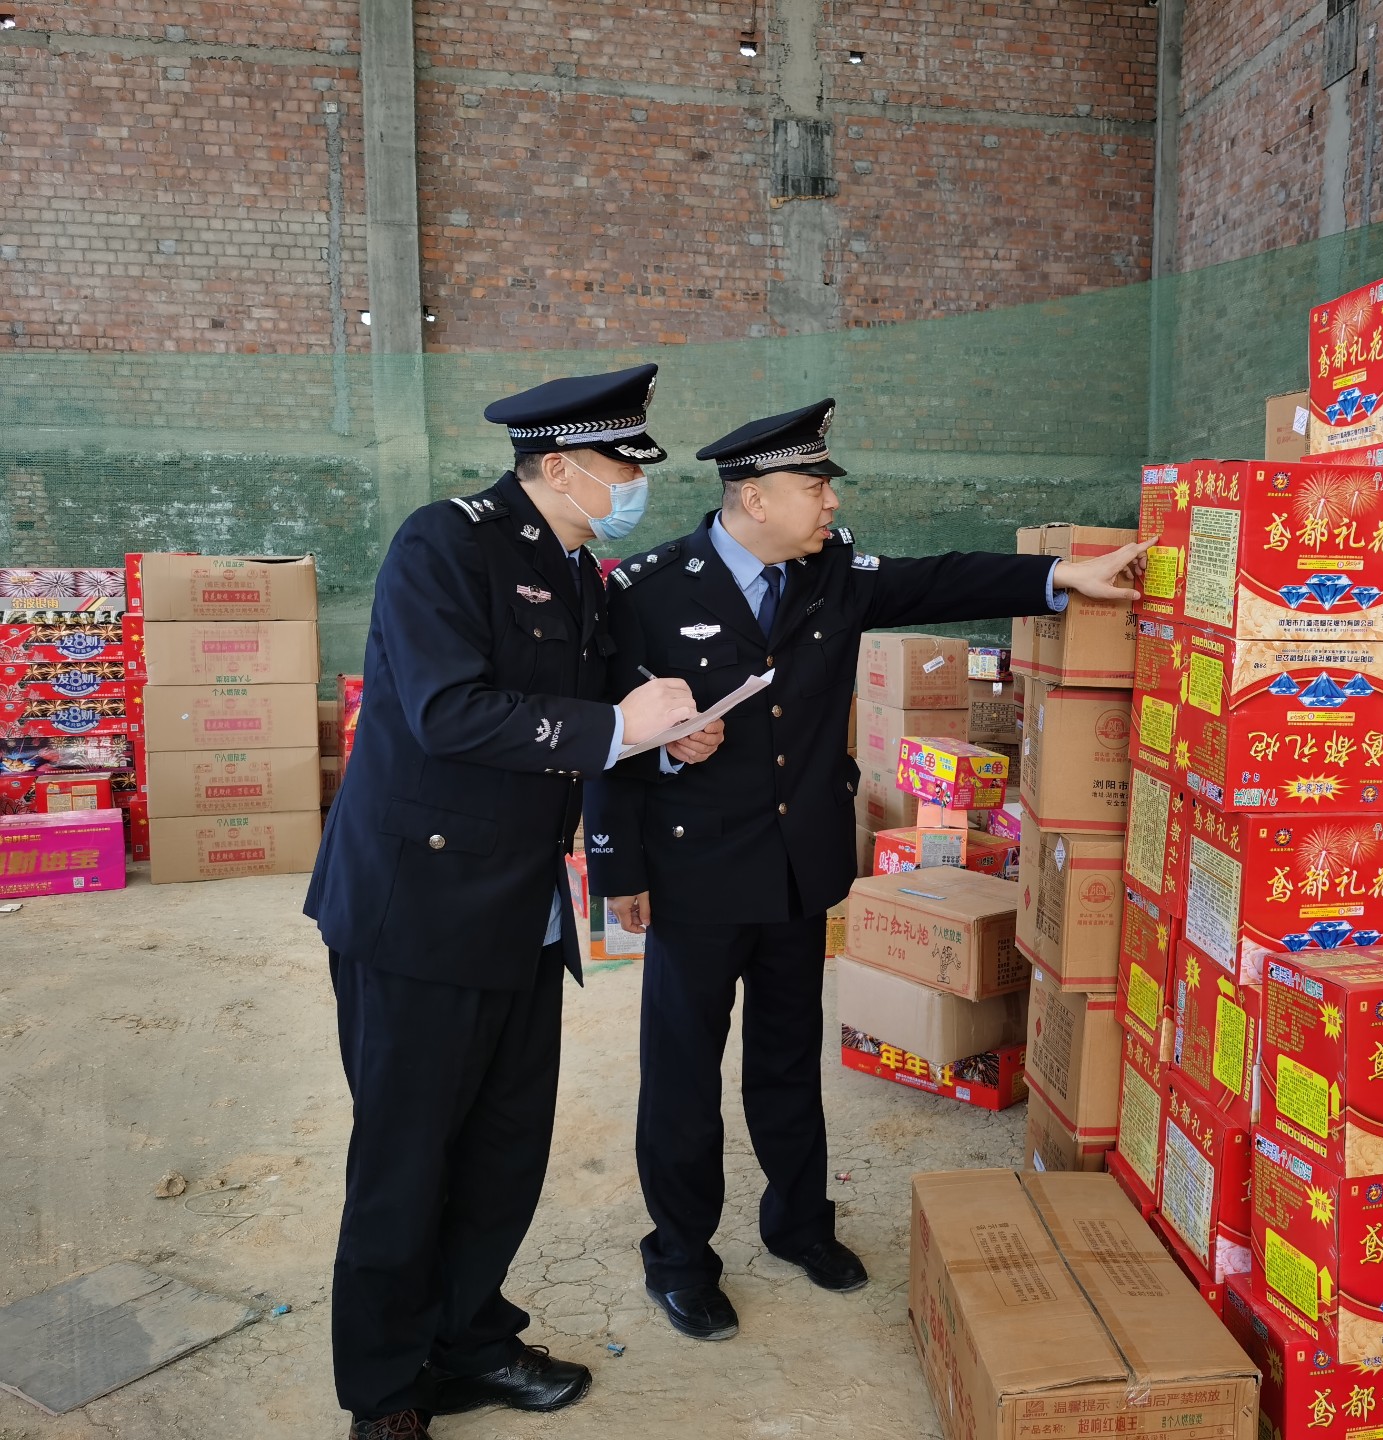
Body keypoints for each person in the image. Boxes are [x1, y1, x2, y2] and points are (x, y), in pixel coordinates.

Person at [583, 398, 1148, 1342]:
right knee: (680, 1077)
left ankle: (800, 1225)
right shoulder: (647, 590)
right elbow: (609, 732)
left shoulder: (832, 575)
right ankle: (680, 1257)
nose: (831, 501)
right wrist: (618, 866)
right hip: (694, 876)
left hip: (796, 873)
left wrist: (1061, 576)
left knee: (786, 1060)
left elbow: (941, 580)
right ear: (754, 498)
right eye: (815, 486)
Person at [304, 363, 724, 1439]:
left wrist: (663, 736)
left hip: (520, 907)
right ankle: (385, 1393)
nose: (634, 485)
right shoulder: (443, 546)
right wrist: (619, 727)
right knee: (406, 1161)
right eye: (623, 466)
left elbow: (590, 714)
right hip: (419, 906)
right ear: (565, 466)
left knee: (502, 1150)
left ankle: (468, 1340)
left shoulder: (580, 573)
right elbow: (448, 712)